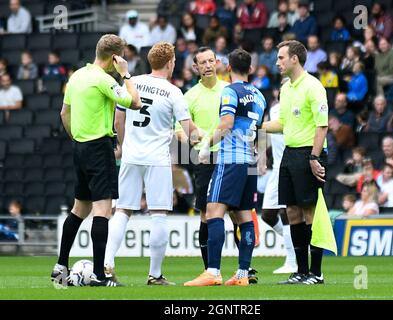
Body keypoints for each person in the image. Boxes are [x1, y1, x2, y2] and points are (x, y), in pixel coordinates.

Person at [104, 42, 202, 286]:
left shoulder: (132, 82)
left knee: (123, 210)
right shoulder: (173, 92)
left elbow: (118, 119)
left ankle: (107, 263)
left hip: (131, 155)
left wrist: (124, 146)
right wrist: (202, 135)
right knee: (158, 214)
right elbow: (191, 133)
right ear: (170, 63)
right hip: (157, 159)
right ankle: (155, 275)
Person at [50, 34, 141, 287]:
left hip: (79, 147)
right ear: (114, 57)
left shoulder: (77, 76)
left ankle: (60, 265)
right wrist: (127, 75)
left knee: (80, 208)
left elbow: (64, 112)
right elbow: (135, 102)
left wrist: (76, 137)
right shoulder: (104, 79)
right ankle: (99, 276)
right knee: (102, 210)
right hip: (99, 148)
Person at [175, 46, 259, 284]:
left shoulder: (229, 90)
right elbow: (179, 132)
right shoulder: (189, 96)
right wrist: (194, 138)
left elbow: (232, 123)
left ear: (220, 63)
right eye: (203, 62)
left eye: (211, 60)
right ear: (196, 67)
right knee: (207, 213)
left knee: (233, 214)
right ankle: (210, 267)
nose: (208, 65)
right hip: (207, 159)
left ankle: (238, 270)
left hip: (229, 156)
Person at [262, 40, 328, 285]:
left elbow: (323, 125)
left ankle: (316, 272)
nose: (277, 62)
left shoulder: (313, 86)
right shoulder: (286, 89)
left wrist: (314, 156)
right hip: (290, 153)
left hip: (308, 153)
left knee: (310, 211)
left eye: (280, 57)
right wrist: (258, 126)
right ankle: (301, 271)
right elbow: (283, 124)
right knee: (291, 211)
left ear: (294, 59)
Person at [260, 101, 297, 274]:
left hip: (291, 166)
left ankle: (292, 261)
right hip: (276, 168)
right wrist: (262, 157)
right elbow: (264, 132)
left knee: (286, 212)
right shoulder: (274, 109)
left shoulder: (297, 108)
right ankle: (299, 242)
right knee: (267, 214)